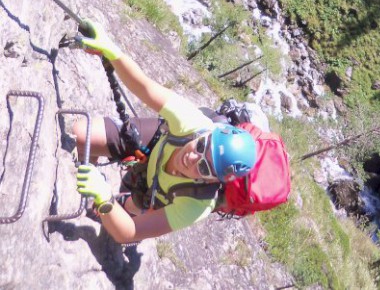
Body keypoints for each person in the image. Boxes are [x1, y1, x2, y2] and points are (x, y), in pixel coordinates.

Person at [72, 20, 257, 244]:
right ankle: (94, 163)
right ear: (206, 134)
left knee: (131, 208)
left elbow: (129, 234)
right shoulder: (194, 124)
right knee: (79, 134)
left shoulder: (196, 203)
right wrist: (112, 51)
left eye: (204, 167)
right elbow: (145, 87)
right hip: (155, 145)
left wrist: (104, 199)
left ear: (212, 180)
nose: (192, 157)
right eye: (201, 146)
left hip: (157, 192)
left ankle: (125, 203)